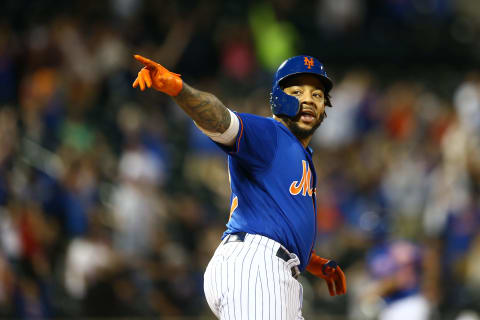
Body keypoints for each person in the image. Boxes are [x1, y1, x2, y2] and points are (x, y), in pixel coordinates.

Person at [132, 54, 347, 319]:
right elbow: (220, 119)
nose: (309, 99)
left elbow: (278, 217)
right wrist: (179, 88)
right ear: (279, 97)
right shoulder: (269, 135)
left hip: (270, 269)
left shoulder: (299, 154)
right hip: (256, 266)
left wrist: (311, 260)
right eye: (297, 91)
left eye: (317, 94)